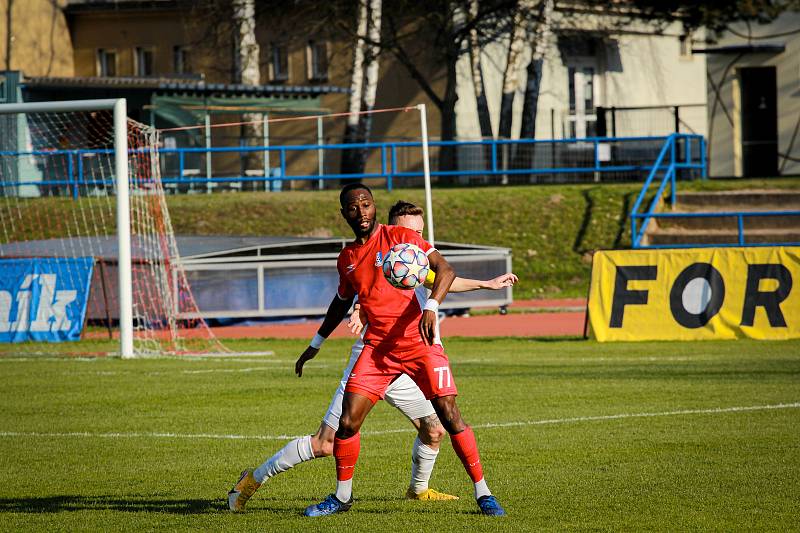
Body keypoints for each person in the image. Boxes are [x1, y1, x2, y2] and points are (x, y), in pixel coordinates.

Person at [227, 198, 517, 512]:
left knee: (434, 429)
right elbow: (363, 291)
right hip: (375, 356)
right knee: (326, 442)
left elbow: (442, 278)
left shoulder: (414, 260)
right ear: (393, 230)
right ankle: (252, 481)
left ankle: (419, 490)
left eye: (421, 233)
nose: (417, 241)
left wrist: (485, 284)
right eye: (411, 232)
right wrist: (357, 313)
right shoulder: (376, 255)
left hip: (413, 357)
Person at [300, 183, 506, 517]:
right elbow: (340, 302)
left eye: (366, 204)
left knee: (449, 416)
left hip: (418, 342)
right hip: (378, 349)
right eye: (353, 208)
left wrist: (432, 307)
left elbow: (446, 270)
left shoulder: (401, 238)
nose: (361, 212)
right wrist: (315, 344)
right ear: (344, 214)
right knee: (348, 424)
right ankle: (341, 497)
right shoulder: (347, 258)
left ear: (374, 206)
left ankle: (484, 493)